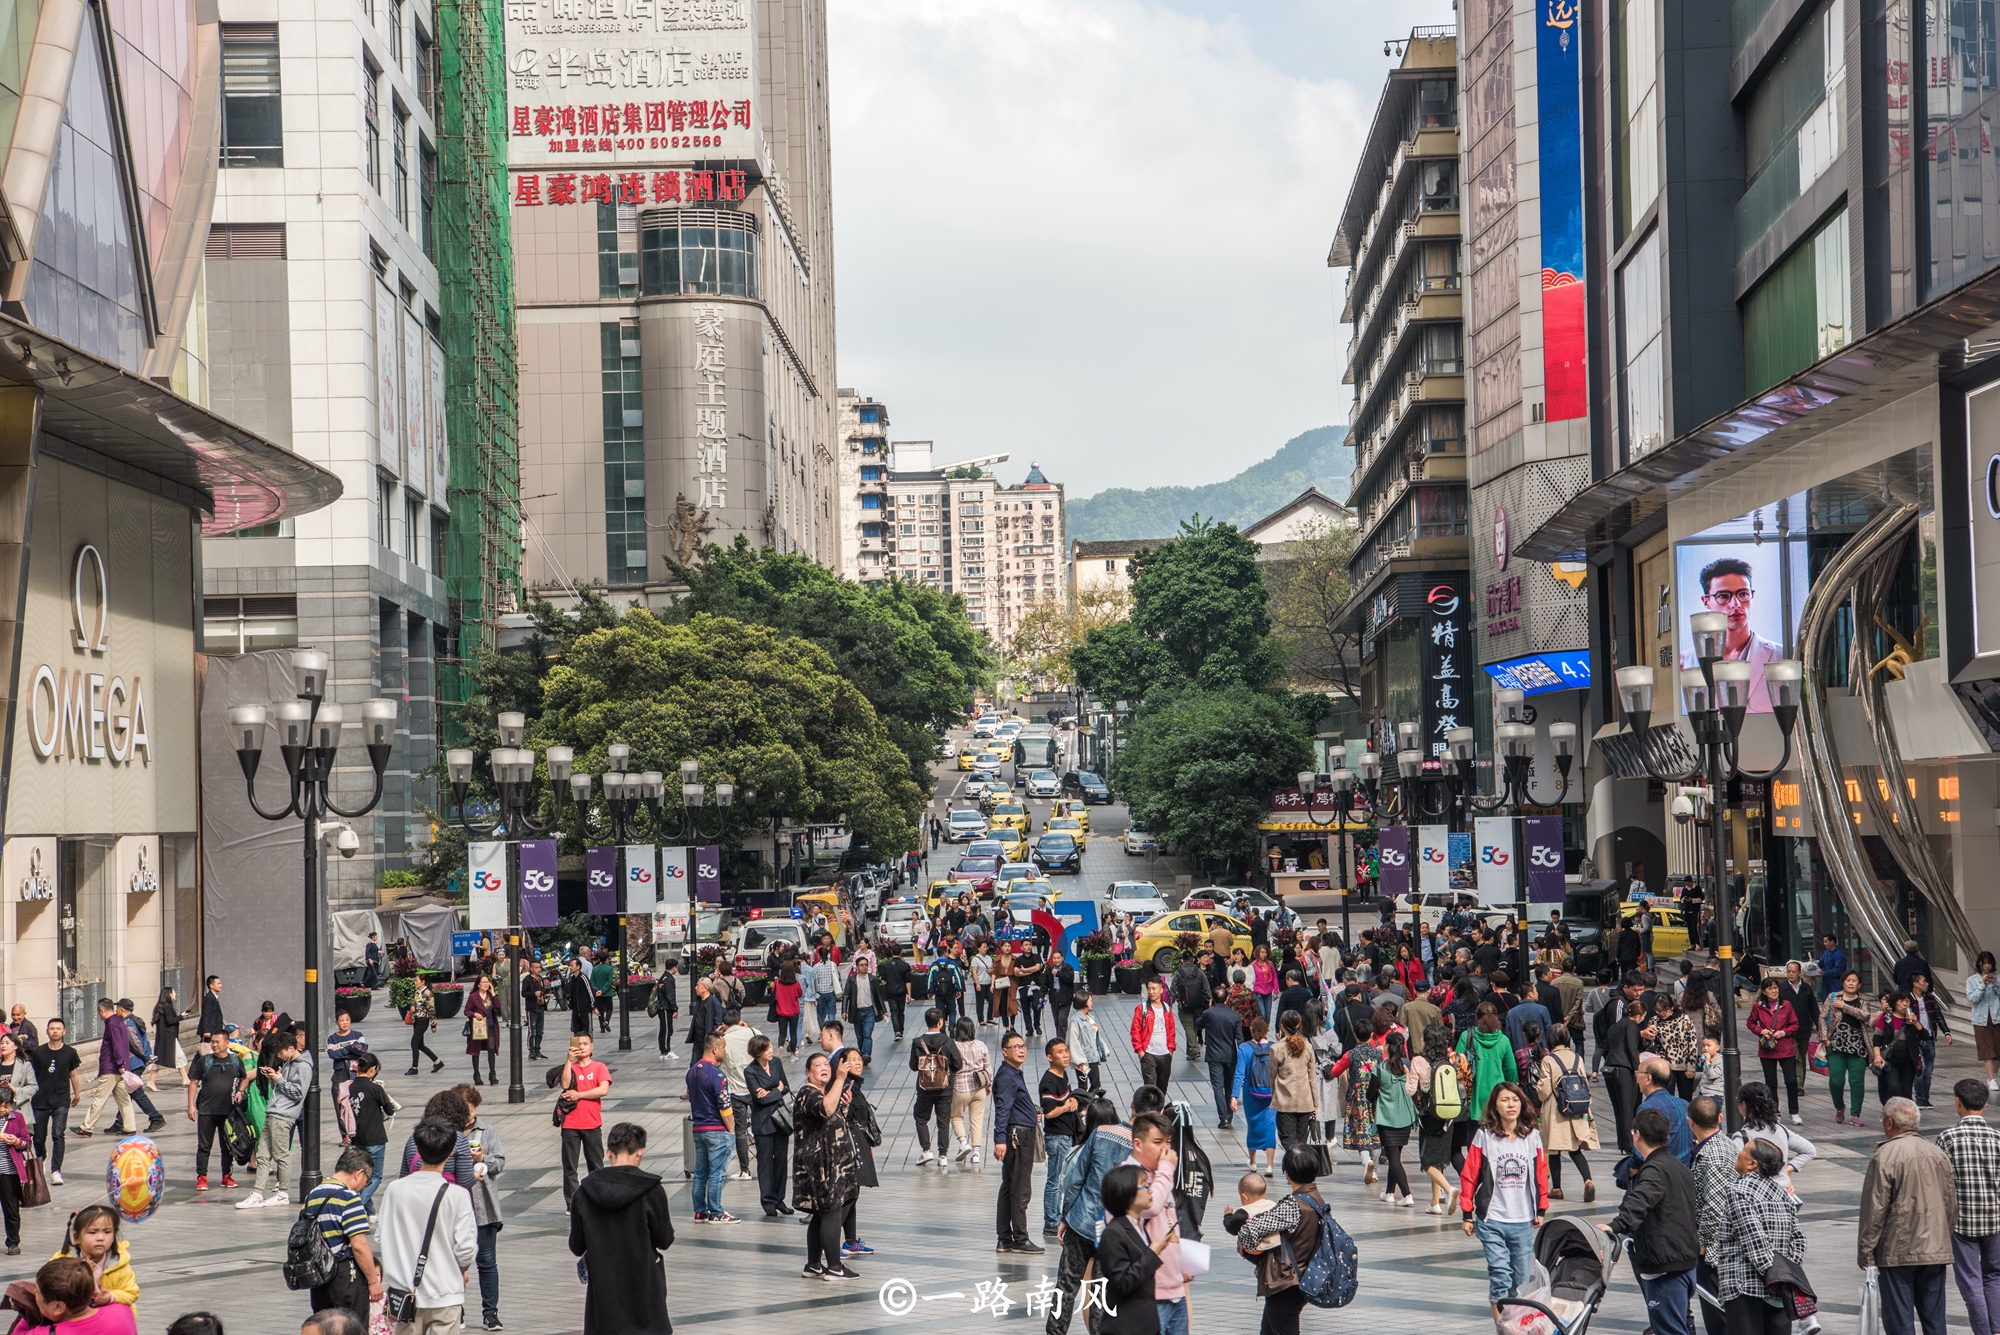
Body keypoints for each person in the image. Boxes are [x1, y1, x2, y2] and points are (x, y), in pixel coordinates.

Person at [1858, 1097, 1957, 1335]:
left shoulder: (1884, 1155)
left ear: (1889, 1123)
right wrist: (1944, 1237)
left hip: (1897, 1251)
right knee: (1935, 1318)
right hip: (1934, 1249)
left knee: (1899, 1319)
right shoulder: (1937, 1153)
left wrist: (1866, 1252)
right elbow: (1950, 1204)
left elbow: (1875, 1209)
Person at [568, 1121, 674, 1333]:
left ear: (608, 1152)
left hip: (604, 1298)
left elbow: (577, 1246)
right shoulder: (651, 1191)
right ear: (640, 1150)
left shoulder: (584, 1192)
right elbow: (664, 1239)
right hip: (644, 1292)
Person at [375, 1118, 478, 1335]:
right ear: (451, 1151)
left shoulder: (395, 1190)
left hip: (403, 1294)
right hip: (445, 1292)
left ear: (418, 1149)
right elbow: (466, 1249)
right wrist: (462, 1270)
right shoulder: (457, 1195)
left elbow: (381, 1236)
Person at [1603, 1107, 1699, 1335]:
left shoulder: (1653, 1170)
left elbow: (1640, 1200)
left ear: (1636, 1135)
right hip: (1685, 1260)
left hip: (1664, 1266)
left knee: (1670, 1330)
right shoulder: (1680, 1167)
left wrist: (1615, 1226)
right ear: (1667, 1136)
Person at [1459, 1081, 1548, 1321]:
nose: (1511, 1104)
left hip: (1522, 1220)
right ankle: (1502, 1328)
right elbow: (1469, 1175)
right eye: (1505, 1100)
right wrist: (1467, 1213)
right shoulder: (1484, 1136)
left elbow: (1541, 1173)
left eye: (1515, 1099)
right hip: (1492, 1220)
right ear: (1495, 1107)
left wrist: (1541, 1207)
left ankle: (1515, 1325)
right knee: (1500, 1275)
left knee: (1520, 1283)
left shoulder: (1532, 1137)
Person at [1049, 1099, 1132, 1335]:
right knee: (1101, 1291)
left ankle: (1055, 1332)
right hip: (1112, 1231)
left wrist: (1065, 1218)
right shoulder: (1141, 1144)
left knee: (1066, 1285)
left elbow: (1075, 1181)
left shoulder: (1098, 1135)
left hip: (1082, 1222)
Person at [1712, 1138, 1807, 1335]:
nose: (1738, 1153)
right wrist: (1784, 1275)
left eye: (1745, 1150)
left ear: (1752, 1164)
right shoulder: (1781, 1193)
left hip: (1745, 1288)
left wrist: (1772, 1274)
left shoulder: (1738, 1191)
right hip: (1780, 1292)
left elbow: (1754, 1240)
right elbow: (1798, 1240)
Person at [1235, 1147, 1332, 1335]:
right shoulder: (1316, 1199)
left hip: (1286, 1282)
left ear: (1287, 1174)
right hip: (1302, 1275)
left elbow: (1249, 1230)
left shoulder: (1292, 1206)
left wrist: (1244, 1242)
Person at [1939, 1078, 2000, 1335]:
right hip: (1996, 1219)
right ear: (1985, 1104)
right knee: (1994, 1276)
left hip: (1962, 1222)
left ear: (1957, 1102)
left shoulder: (1947, 1138)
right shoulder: (1998, 1138)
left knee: (1971, 1280)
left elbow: (1940, 1183)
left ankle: (1983, 1331)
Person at [792, 1051, 860, 1281]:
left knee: (821, 1215)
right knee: (830, 1212)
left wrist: (845, 1107)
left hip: (834, 1164)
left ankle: (813, 1264)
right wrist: (840, 1079)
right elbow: (825, 1110)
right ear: (808, 1072)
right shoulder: (807, 1092)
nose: (823, 1068)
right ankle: (834, 1267)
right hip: (822, 1166)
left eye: (825, 1064)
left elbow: (833, 1118)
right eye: (817, 1065)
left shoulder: (824, 1092)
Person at [302, 1145, 383, 1325]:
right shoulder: (349, 1198)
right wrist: (373, 1281)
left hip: (319, 1276)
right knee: (352, 1327)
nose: (364, 1186)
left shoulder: (312, 1195)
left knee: (325, 1327)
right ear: (359, 1173)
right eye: (367, 1181)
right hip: (345, 1276)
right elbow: (359, 1245)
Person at [1093, 1163, 1176, 1335]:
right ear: (1127, 1193)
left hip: (1145, 1324)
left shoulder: (1139, 1227)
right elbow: (1123, 1283)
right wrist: (1153, 1253)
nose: (1151, 1190)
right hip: (1126, 1327)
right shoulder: (1114, 1233)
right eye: (1145, 1185)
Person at [236, 1028, 309, 1209]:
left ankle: (283, 1192)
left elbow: (299, 1093)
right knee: (262, 1154)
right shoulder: (289, 1063)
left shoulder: (303, 1066)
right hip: (272, 1112)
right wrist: (275, 1076)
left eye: (282, 1052)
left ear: (291, 1048)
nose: (280, 1056)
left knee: (281, 1155)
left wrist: (279, 1079)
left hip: (283, 1116)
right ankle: (257, 1193)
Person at [457, 1086, 506, 1331]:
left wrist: (483, 1160)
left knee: (487, 1262)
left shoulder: (487, 1130)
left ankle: (490, 1313)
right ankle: (457, 1310)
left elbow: (499, 1163)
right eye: (463, 1108)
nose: (467, 1114)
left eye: (471, 1109)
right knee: (454, 1263)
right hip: (455, 1208)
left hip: (483, 1206)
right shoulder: (448, 1131)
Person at [992, 1030, 1043, 1254]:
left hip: (1019, 1132)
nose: (1021, 1050)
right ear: (1005, 1051)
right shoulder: (1006, 1076)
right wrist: (1000, 1139)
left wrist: (1032, 1112)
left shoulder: (1013, 1073)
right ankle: (1020, 1239)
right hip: (1018, 1137)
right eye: (1016, 1047)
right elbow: (1002, 1109)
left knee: (1010, 1187)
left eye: (1023, 1046)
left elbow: (1014, 1105)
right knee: (1020, 1188)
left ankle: (1005, 1238)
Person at [1534, 1024, 1597, 1202]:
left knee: (1554, 1150)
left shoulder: (1549, 1060)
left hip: (1556, 1110)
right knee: (1575, 1148)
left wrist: (1537, 1089)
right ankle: (1588, 1180)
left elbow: (1544, 1090)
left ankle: (1557, 1188)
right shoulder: (1577, 1057)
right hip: (1577, 1107)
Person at [186, 1029, 249, 1191]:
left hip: (228, 1111)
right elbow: (193, 1083)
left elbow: (244, 1078)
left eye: (217, 1042)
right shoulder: (205, 1061)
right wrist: (191, 1105)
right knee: (204, 1146)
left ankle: (226, 1176)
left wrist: (240, 1092)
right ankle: (202, 1177)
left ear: (227, 1043)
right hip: (206, 1110)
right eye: (212, 1042)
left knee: (227, 1146)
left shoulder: (235, 1061)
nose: (214, 1045)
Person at [557, 1032, 612, 1209]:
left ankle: (598, 1200)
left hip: (592, 1123)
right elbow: (565, 1084)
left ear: (592, 1046)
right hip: (570, 1125)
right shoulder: (570, 1067)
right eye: (578, 1044)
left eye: (585, 1044)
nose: (581, 1047)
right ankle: (572, 1205)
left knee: (596, 1166)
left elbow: (603, 1090)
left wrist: (579, 1095)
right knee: (570, 1168)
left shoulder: (599, 1067)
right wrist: (567, 1060)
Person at [686, 1030, 735, 1225]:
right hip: (716, 1129)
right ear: (715, 1049)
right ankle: (716, 1211)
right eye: (723, 1047)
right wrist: (731, 1130)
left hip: (698, 1128)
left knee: (700, 1172)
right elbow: (725, 1106)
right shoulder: (717, 1074)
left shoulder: (692, 1071)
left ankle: (700, 1211)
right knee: (717, 1173)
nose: (724, 1051)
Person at [10, 1257, 134, 1334]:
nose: (34, 1293)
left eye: (37, 1292)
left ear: (58, 1307)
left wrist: (31, 1309)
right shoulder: (122, 1311)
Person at [24, 1019, 78, 1185]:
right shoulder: (38, 1052)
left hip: (61, 1099)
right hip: (40, 1100)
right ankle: (42, 1161)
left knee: (58, 1134)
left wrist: (77, 1093)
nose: (55, 1031)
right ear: (47, 1032)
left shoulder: (70, 1052)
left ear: (64, 1031)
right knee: (39, 1137)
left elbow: (74, 1074)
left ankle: (56, 1170)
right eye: (52, 1029)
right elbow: (31, 1074)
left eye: (58, 1028)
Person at [53, 1204, 137, 1307]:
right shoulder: (61, 1262)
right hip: (75, 1318)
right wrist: (79, 1273)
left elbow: (131, 1293)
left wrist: (110, 1297)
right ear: (77, 1237)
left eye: (107, 1232)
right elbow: (50, 1291)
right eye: (92, 1232)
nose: (100, 1238)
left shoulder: (118, 1264)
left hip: (109, 1319)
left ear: (114, 1235)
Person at [72, 999, 134, 1139]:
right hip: (121, 1067)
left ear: (101, 1011)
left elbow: (117, 1046)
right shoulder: (119, 1022)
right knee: (124, 1100)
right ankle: (130, 1127)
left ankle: (87, 1127)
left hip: (112, 1068)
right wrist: (123, 1065)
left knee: (99, 1098)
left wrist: (119, 1064)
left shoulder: (112, 1023)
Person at [746, 1035, 793, 1216]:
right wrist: (777, 1090)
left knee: (781, 1160)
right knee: (765, 1162)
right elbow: (761, 1098)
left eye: (771, 1046)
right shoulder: (750, 1071)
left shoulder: (776, 1064)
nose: (771, 1051)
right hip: (763, 1122)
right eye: (767, 1049)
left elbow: (786, 1087)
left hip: (780, 1119)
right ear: (758, 1052)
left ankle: (779, 1199)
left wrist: (774, 1091)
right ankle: (768, 1202)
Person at [1039, 1039, 1081, 1239]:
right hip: (1057, 1137)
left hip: (1067, 1134)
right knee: (1055, 1180)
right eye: (1060, 1052)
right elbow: (1048, 1113)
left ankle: (1059, 1217)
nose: (1065, 1055)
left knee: (1064, 1180)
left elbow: (1066, 1099)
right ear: (1050, 1057)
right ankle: (1051, 1222)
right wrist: (1065, 1107)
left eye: (1066, 1051)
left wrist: (1072, 1100)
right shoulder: (1048, 1081)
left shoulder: (1063, 1075)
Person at [1372, 1030, 1419, 1207]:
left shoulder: (1380, 1068)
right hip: (1405, 1117)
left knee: (1394, 1159)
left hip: (1387, 1118)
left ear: (1388, 1047)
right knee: (1395, 1156)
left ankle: (1407, 1195)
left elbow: (1370, 1094)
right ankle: (1389, 1192)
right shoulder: (1407, 1065)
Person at [909, 1007, 961, 1166]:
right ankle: (943, 1155)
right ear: (940, 1022)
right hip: (944, 1088)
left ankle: (926, 1151)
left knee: (920, 1117)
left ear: (926, 1022)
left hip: (924, 1088)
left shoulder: (918, 1042)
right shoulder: (948, 1041)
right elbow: (957, 1064)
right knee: (943, 1121)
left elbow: (913, 1066)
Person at [1746, 977, 1803, 1122]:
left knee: (1791, 1081)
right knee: (1771, 1084)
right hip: (1767, 1048)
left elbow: (1795, 1024)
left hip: (1785, 1047)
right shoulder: (1758, 1006)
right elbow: (1751, 1022)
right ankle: (1774, 1112)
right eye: (1770, 988)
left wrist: (1784, 1032)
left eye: (1775, 987)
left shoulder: (1786, 1005)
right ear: (1764, 991)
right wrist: (1761, 1031)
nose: (1774, 991)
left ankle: (1794, 1111)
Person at [346, 1054, 395, 1214]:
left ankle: (371, 1212)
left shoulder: (350, 1087)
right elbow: (389, 1110)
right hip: (375, 1138)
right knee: (375, 1176)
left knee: (362, 1176)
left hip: (356, 1137)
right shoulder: (375, 1088)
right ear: (373, 1069)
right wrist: (382, 1092)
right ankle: (356, 1206)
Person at [1825, 969, 1874, 1125]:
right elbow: (1821, 1018)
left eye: (1854, 981)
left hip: (1857, 1047)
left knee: (1857, 1081)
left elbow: (1865, 1016)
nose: (1851, 983)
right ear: (1843, 982)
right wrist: (1824, 1038)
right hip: (1836, 1045)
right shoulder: (1833, 997)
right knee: (1836, 1081)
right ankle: (1839, 1107)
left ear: (1859, 984)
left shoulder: (1864, 1001)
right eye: (1848, 980)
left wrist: (1844, 1007)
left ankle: (1855, 1114)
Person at [1269, 1009, 1320, 1157]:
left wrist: (1275, 1096)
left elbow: (1272, 1077)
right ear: (1299, 1025)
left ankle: (1296, 1163)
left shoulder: (1276, 1048)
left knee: (1287, 1139)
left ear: (1282, 1026)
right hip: (1305, 1100)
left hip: (1284, 1101)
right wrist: (1315, 1102)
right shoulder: (1308, 1047)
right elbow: (1312, 1077)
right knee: (1301, 1140)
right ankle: (1301, 1166)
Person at [1233, 1015, 1280, 1173]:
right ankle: (1269, 1165)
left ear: (1251, 1031)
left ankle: (1253, 1162)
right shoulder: (1275, 1047)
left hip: (1250, 1092)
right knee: (1270, 1126)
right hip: (1271, 1091)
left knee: (1252, 1125)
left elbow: (1239, 1074)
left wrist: (1234, 1096)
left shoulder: (1244, 1048)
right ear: (1267, 1030)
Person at [719, 1009, 759, 1181]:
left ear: (724, 1025)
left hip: (736, 1091)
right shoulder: (753, 1033)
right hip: (757, 1089)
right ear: (740, 1021)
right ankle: (766, 1164)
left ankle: (744, 1170)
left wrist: (718, 1033)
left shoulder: (723, 1041)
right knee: (762, 1127)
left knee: (740, 1131)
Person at [1198, 992, 1246, 1128]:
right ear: (1227, 999)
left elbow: (1198, 1024)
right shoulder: (1235, 1015)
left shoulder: (1209, 1014)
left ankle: (1223, 1117)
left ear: (1213, 999)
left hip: (1214, 1056)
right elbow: (1239, 1038)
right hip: (1230, 1055)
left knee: (1218, 1087)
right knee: (1229, 1086)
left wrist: (1209, 1008)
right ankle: (1229, 1115)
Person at [950, 1016, 992, 1166]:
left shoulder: (954, 1046)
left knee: (956, 1117)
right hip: (979, 1086)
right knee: (977, 1121)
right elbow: (988, 1068)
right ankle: (976, 1153)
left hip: (960, 1087)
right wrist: (989, 1085)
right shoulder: (981, 1045)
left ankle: (963, 1142)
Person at [1910, 972, 1952, 1108]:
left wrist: (1946, 1032)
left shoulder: (1930, 999)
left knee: (1928, 1071)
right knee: (1919, 1069)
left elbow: (1939, 1017)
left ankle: (1925, 1098)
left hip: (1929, 1038)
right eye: (1924, 981)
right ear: (1915, 984)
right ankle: (1919, 1097)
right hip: (1915, 1039)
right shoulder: (1908, 1000)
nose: (1927, 983)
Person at [1130, 977, 1174, 1097]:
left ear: (1161, 990)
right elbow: (1135, 1030)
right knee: (1150, 1087)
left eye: (1154, 989)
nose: (1151, 992)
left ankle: (1158, 1113)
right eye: (1149, 989)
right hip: (1148, 1054)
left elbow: (1171, 1031)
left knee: (1162, 1088)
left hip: (1165, 1054)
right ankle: (1151, 1113)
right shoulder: (1142, 1009)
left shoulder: (1167, 1009)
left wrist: (1170, 1050)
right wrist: (1140, 1051)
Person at [1065, 990, 1106, 1096]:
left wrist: (1102, 1051)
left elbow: (1095, 1037)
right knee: (1084, 1085)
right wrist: (1079, 1061)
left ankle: (1085, 1104)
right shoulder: (1075, 1021)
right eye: (1090, 1000)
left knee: (1095, 1084)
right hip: (1083, 1059)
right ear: (1084, 1001)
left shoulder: (1090, 1018)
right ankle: (1084, 1105)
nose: (1092, 1003)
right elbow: (1073, 1042)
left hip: (1093, 1057)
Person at [462, 975, 500, 1087]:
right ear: (478, 984)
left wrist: (493, 993)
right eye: (483, 982)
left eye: (487, 982)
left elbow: (498, 1006)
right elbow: (466, 1011)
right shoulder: (473, 997)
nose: (486, 984)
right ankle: (477, 1075)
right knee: (475, 1051)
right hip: (478, 1027)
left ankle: (492, 1074)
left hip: (490, 1026)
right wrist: (474, 1014)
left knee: (491, 1048)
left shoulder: (489, 996)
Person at [1971, 951, 2000, 1093]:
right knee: (1987, 1051)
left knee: (1998, 1050)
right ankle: (1992, 1079)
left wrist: (1996, 984)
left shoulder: (1998, 978)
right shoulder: (1972, 980)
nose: (1987, 966)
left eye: (1989, 963)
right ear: (1980, 964)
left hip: (1997, 1018)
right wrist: (1982, 984)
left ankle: (1993, 1076)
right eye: (1984, 963)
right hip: (1980, 1020)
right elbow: (1973, 998)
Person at [0, 1088, 24, 1255]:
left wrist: (16, 1141)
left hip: (9, 1172)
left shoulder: (17, 1118)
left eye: (6, 1106)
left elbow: (26, 1142)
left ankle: (13, 1242)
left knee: (11, 1208)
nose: (3, 1109)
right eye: (0, 1105)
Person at [406, 976, 442, 1076]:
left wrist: (433, 1025)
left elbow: (431, 1009)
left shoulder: (428, 993)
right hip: (416, 1020)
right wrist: (412, 1007)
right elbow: (415, 1004)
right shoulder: (417, 992)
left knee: (414, 1043)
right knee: (420, 1045)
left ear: (423, 982)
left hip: (423, 1020)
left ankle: (414, 1067)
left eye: (416, 981)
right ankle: (437, 1062)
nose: (415, 983)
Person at [566, 959, 594, 1039]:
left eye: (572, 965)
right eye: (569, 966)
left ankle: (588, 1050)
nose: (570, 967)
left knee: (587, 1032)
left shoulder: (583, 978)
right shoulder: (572, 979)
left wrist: (593, 1006)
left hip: (585, 1010)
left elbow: (590, 992)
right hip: (575, 1009)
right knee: (577, 1033)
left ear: (578, 967)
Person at [198, 975, 225, 1042]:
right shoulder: (209, 998)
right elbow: (206, 1014)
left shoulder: (214, 997)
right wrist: (206, 1030)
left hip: (215, 1030)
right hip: (210, 1031)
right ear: (211, 986)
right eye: (218, 983)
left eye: (220, 983)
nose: (220, 985)